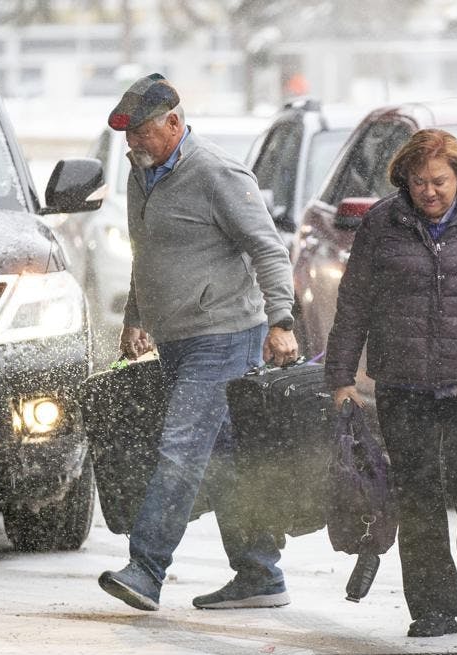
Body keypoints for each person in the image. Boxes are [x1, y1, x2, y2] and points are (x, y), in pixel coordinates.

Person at [325, 128, 457, 637]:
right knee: (418, 496)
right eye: (419, 182)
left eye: (440, 181)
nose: (430, 192)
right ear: (404, 180)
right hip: (403, 385)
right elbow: (353, 304)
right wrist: (340, 378)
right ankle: (433, 608)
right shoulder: (383, 223)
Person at [97, 73, 299, 611]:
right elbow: (147, 252)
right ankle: (260, 574)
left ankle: (146, 569)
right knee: (226, 455)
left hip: (226, 334)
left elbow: (268, 250)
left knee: (181, 449)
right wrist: (135, 316)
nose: (131, 143)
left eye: (139, 131)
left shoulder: (216, 173)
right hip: (175, 338)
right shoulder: (141, 174)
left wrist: (282, 320)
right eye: (126, 134)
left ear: (173, 123)